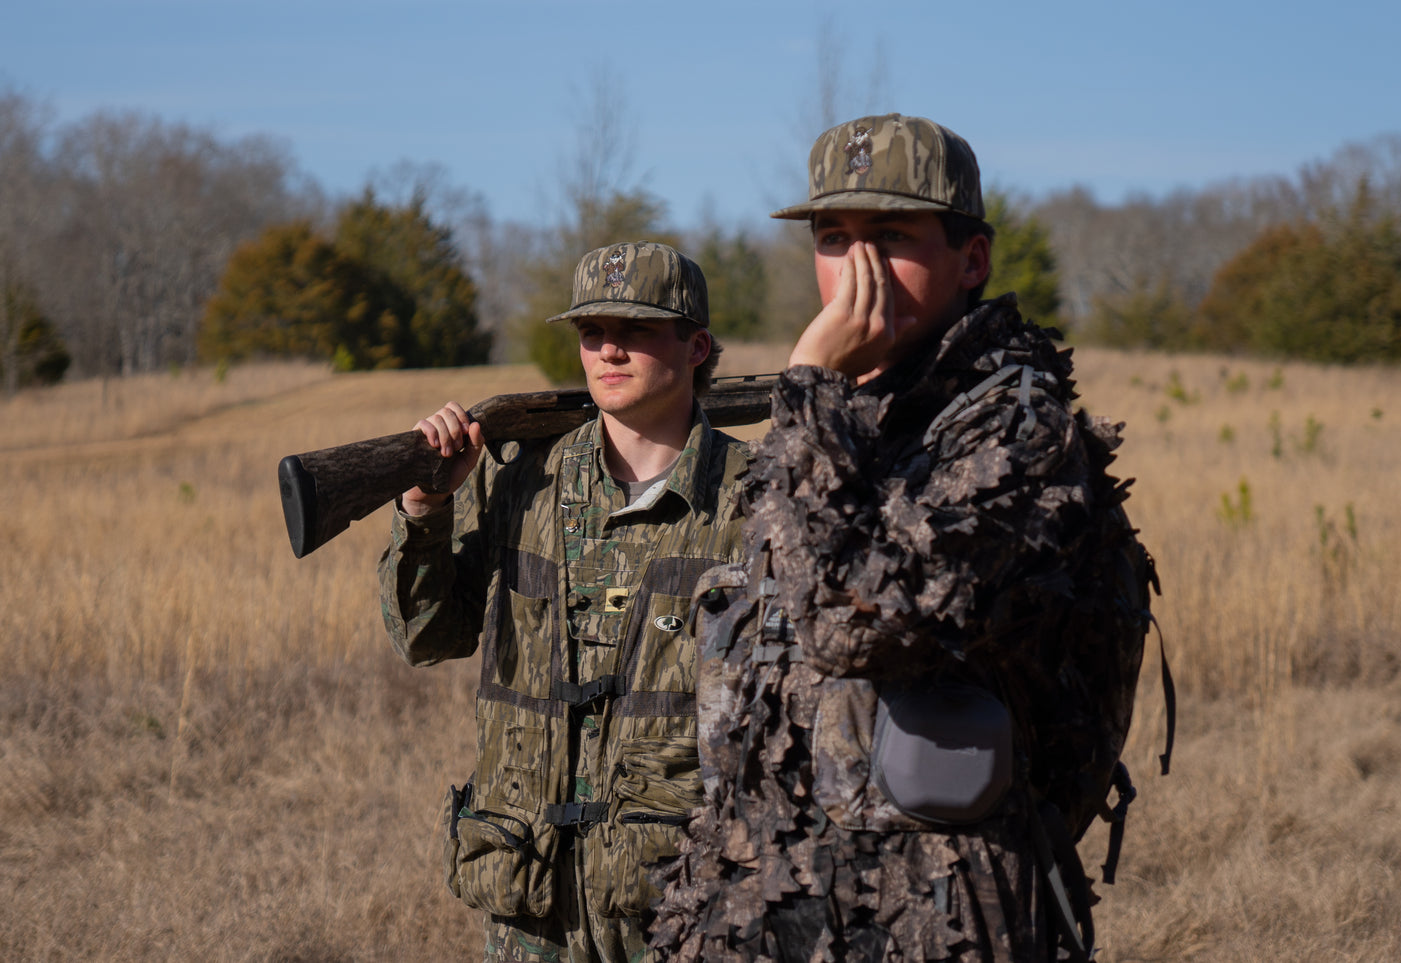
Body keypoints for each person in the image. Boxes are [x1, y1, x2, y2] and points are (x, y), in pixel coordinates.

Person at [650, 114, 1160, 961]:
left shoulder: (1016, 432)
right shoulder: (841, 417)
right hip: (776, 900)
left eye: (891, 236)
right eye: (834, 237)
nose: (859, 267)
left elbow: (854, 625)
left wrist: (809, 385)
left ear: (972, 259)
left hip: (941, 916)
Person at [378, 241, 751, 963]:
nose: (608, 348)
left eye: (636, 328)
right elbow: (425, 636)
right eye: (590, 332)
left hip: (678, 908)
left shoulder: (751, 497)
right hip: (530, 903)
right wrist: (424, 512)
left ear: (696, 344)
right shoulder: (525, 482)